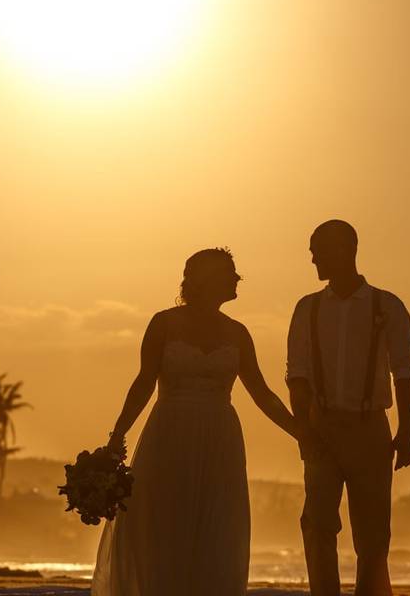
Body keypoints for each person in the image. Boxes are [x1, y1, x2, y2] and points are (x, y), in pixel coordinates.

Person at [91, 247, 298, 596]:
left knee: (216, 531)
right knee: (165, 527)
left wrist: (301, 433)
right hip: (169, 435)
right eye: (230, 273)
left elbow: (262, 394)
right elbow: (143, 383)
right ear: (206, 280)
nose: (237, 279)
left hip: (220, 439)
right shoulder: (164, 323)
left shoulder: (238, 333)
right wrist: (118, 436)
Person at [287, 220, 410, 596]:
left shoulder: (387, 306)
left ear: (345, 250)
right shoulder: (307, 309)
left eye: (318, 250)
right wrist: (305, 431)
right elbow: (297, 376)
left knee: (373, 533)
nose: (312, 258)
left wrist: (405, 431)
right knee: (317, 523)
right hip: (322, 425)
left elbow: (404, 371)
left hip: (370, 426)